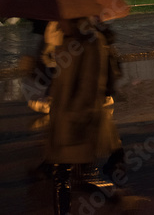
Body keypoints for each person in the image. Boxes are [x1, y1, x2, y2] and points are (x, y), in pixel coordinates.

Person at [46, 17, 124, 214]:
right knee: (65, 177)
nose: (57, 23)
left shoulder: (93, 42)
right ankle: (116, 198)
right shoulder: (65, 40)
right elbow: (58, 82)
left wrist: (73, 121)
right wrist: (34, 67)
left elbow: (89, 87)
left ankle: (116, 198)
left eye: (61, 20)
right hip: (63, 123)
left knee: (67, 177)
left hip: (78, 125)